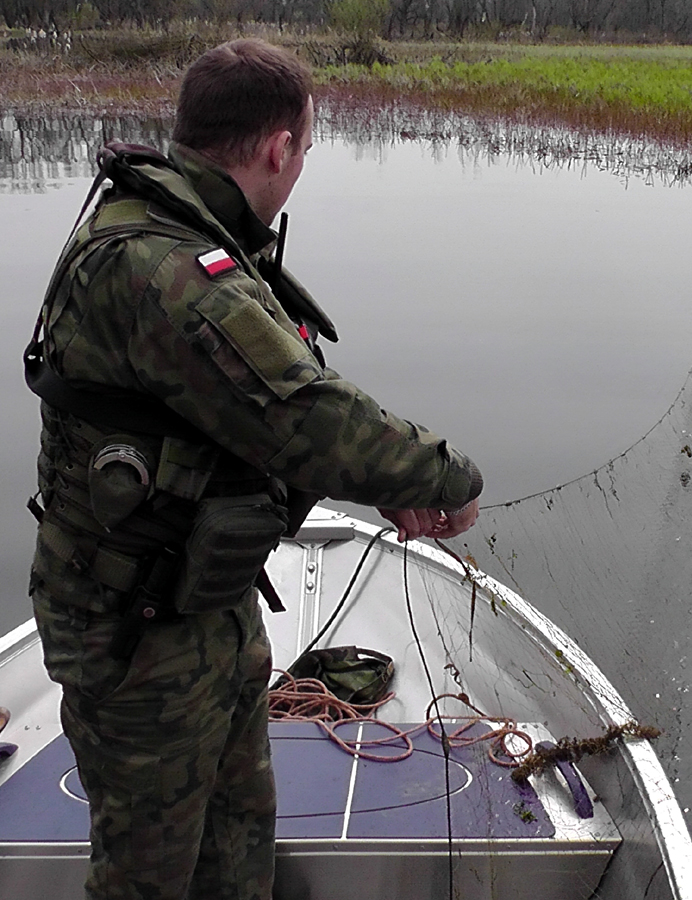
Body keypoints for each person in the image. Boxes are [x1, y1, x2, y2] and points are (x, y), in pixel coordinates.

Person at [25, 38, 482, 900]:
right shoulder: (162, 268)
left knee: (237, 855)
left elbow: (272, 397)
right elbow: (303, 415)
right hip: (134, 642)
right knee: (147, 882)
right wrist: (441, 479)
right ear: (280, 147)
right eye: (306, 147)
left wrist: (388, 486)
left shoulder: (203, 236)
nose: (301, 164)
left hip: (208, 612)